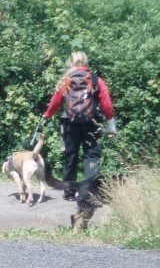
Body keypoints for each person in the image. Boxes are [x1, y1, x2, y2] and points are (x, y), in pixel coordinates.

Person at [42, 51, 117, 200]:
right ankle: (92, 192)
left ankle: (69, 193)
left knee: (71, 157)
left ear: (71, 63)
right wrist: (110, 123)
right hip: (92, 123)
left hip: (70, 124)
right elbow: (107, 103)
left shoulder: (65, 80)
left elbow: (55, 102)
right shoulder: (96, 80)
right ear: (86, 62)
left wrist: (47, 115)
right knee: (92, 156)